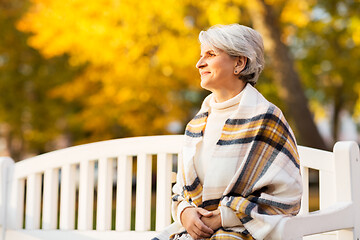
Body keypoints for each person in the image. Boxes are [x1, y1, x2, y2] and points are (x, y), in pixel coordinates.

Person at [154, 24, 302, 240]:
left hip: (245, 232)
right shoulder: (196, 125)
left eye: (210, 54)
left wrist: (223, 217)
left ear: (239, 63)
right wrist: (185, 213)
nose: (199, 63)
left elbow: (285, 197)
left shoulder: (266, 118)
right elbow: (181, 192)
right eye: (201, 55)